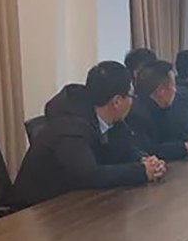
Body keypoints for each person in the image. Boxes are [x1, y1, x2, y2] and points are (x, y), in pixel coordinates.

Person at [12, 61, 166, 208]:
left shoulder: (112, 120)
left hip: (76, 204)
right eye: (131, 96)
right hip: (34, 211)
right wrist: (141, 171)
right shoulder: (70, 127)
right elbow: (88, 175)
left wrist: (144, 159)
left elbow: (123, 150)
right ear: (117, 101)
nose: (133, 102)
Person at [128, 60, 188, 161]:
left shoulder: (163, 109)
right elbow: (149, 150)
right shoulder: (137, 116)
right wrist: (183, 148)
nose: (175, 91)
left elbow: (176, 136)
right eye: (173, 86)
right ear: (161, 90)